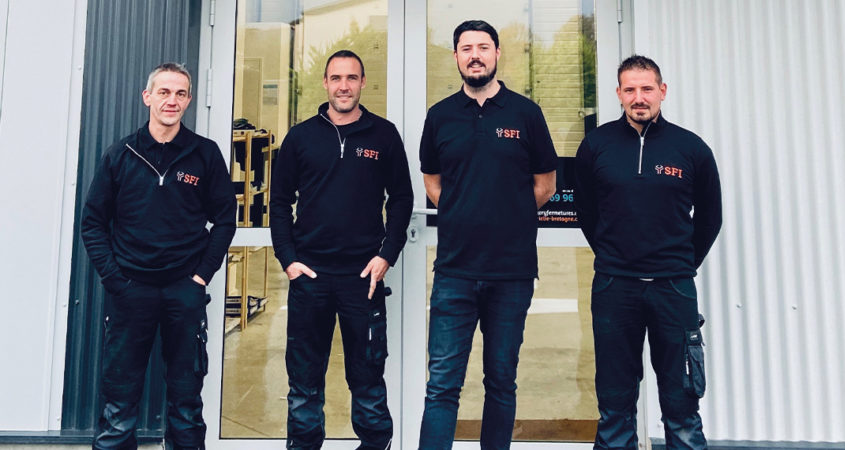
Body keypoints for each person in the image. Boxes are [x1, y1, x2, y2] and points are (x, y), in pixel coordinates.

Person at [418, 20, 558, 450]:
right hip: (454, 272)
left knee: (500, 381)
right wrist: (463, 211)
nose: (474, 55)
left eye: (483, 47)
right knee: (442, 384)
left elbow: (545, 185)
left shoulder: (526, 114)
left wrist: (507, 215)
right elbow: (432, 180)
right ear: (456, 57)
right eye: (466, 48)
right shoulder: (440, 116)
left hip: (511, 274)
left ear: (497, 53)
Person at [81, 62, 237, 450]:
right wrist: (115, 280)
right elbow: (93, 224)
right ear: (147, 97)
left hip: (184, 291)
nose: (172, 100)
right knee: (119, 401)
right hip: (130, 290)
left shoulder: (204, 154)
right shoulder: (121, 155)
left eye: (180, 93)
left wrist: (201, 276)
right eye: (164, 92)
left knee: (186, 400)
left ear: (189, 100)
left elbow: (225, 220)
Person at [574, 55, 722, 449]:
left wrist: (679, 263)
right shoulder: (596, 146)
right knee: (615, 402)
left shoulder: (691, 149)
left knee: (682, 402)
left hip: (673, 288)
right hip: (614, 287)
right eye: (630, 89)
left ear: (662, 91)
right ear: (619, 94)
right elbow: (586, 212)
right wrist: (615, 254)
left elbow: (711, 217)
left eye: (647, 89)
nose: (639, 97)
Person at [269, 49, 414, 450]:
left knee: (367, 377)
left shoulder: (383, 135)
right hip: (309, 278)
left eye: (352, 78)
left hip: (362, 280)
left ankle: (374, 443)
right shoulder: (300, 137)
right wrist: (288, 260)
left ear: (363, 82)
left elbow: (401, 198)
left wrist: (387, 254)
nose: (344, 86)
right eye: (336, 78)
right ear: (325, 83)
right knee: (304, 380)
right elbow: (279, 203)